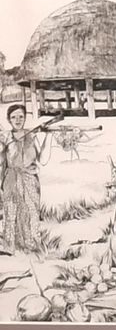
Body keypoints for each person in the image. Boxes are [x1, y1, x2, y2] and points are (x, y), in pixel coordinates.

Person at [0, 105, 59, 254]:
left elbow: (43, 160)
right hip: (10, 179)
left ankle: (33, 246)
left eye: (21, 116)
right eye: (13, 117)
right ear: (8, 120)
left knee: (32, 212)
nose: (17, 120)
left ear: (25, 118)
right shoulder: (5, 137)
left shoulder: (31, 136)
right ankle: (10, 247)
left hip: (30, 179)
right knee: (10, 212)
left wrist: (49, 136)